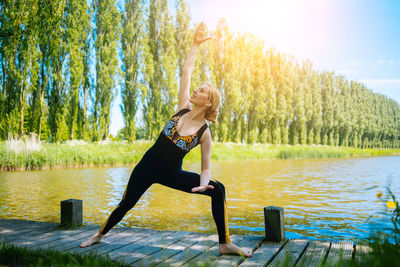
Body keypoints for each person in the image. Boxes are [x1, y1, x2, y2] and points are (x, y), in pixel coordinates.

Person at [80, 22, 252, 258]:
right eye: (197, 89)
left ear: (209, 102)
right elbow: (186, 72)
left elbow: (205, 167)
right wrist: (194, 44)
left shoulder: (204, 133)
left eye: (201, 91)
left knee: (218, 188)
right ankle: (98, 235)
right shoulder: (182, 108)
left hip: (172, 174)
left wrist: (203, 184)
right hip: (147, 166)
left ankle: (224, 243)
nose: (195, 91)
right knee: (125, 204)